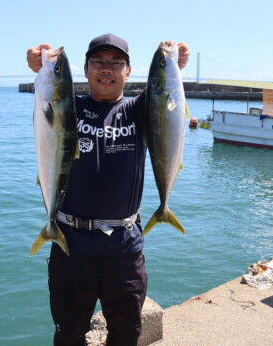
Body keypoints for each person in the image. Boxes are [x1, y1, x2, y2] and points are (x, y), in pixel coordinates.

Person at [27, 33, 189, 346]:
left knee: (127, 334)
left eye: (116, 63)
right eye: (98, 62)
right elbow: (50, 95)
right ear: (85, 69)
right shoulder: (68, 108)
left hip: (125, 250)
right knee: (68, 334)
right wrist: (38, 66)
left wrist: (174, 65)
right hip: (70, 246)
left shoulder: (139, 110)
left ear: (128, 72)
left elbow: (164, 97)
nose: (107, 68)